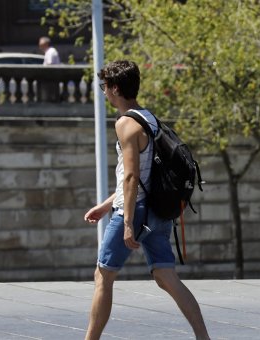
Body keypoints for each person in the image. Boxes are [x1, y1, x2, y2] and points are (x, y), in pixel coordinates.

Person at [83, 60, 210, 339]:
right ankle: (203, 337)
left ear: (115, 88)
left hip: (134, 210)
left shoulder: (126, 124)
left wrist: (127, 222)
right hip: (157, 209)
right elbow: (142, 174)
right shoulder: (148, 117)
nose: (104, 92)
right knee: (167, 277)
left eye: (105, 87)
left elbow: (131, 177)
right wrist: (105, 205)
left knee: (103, 276)